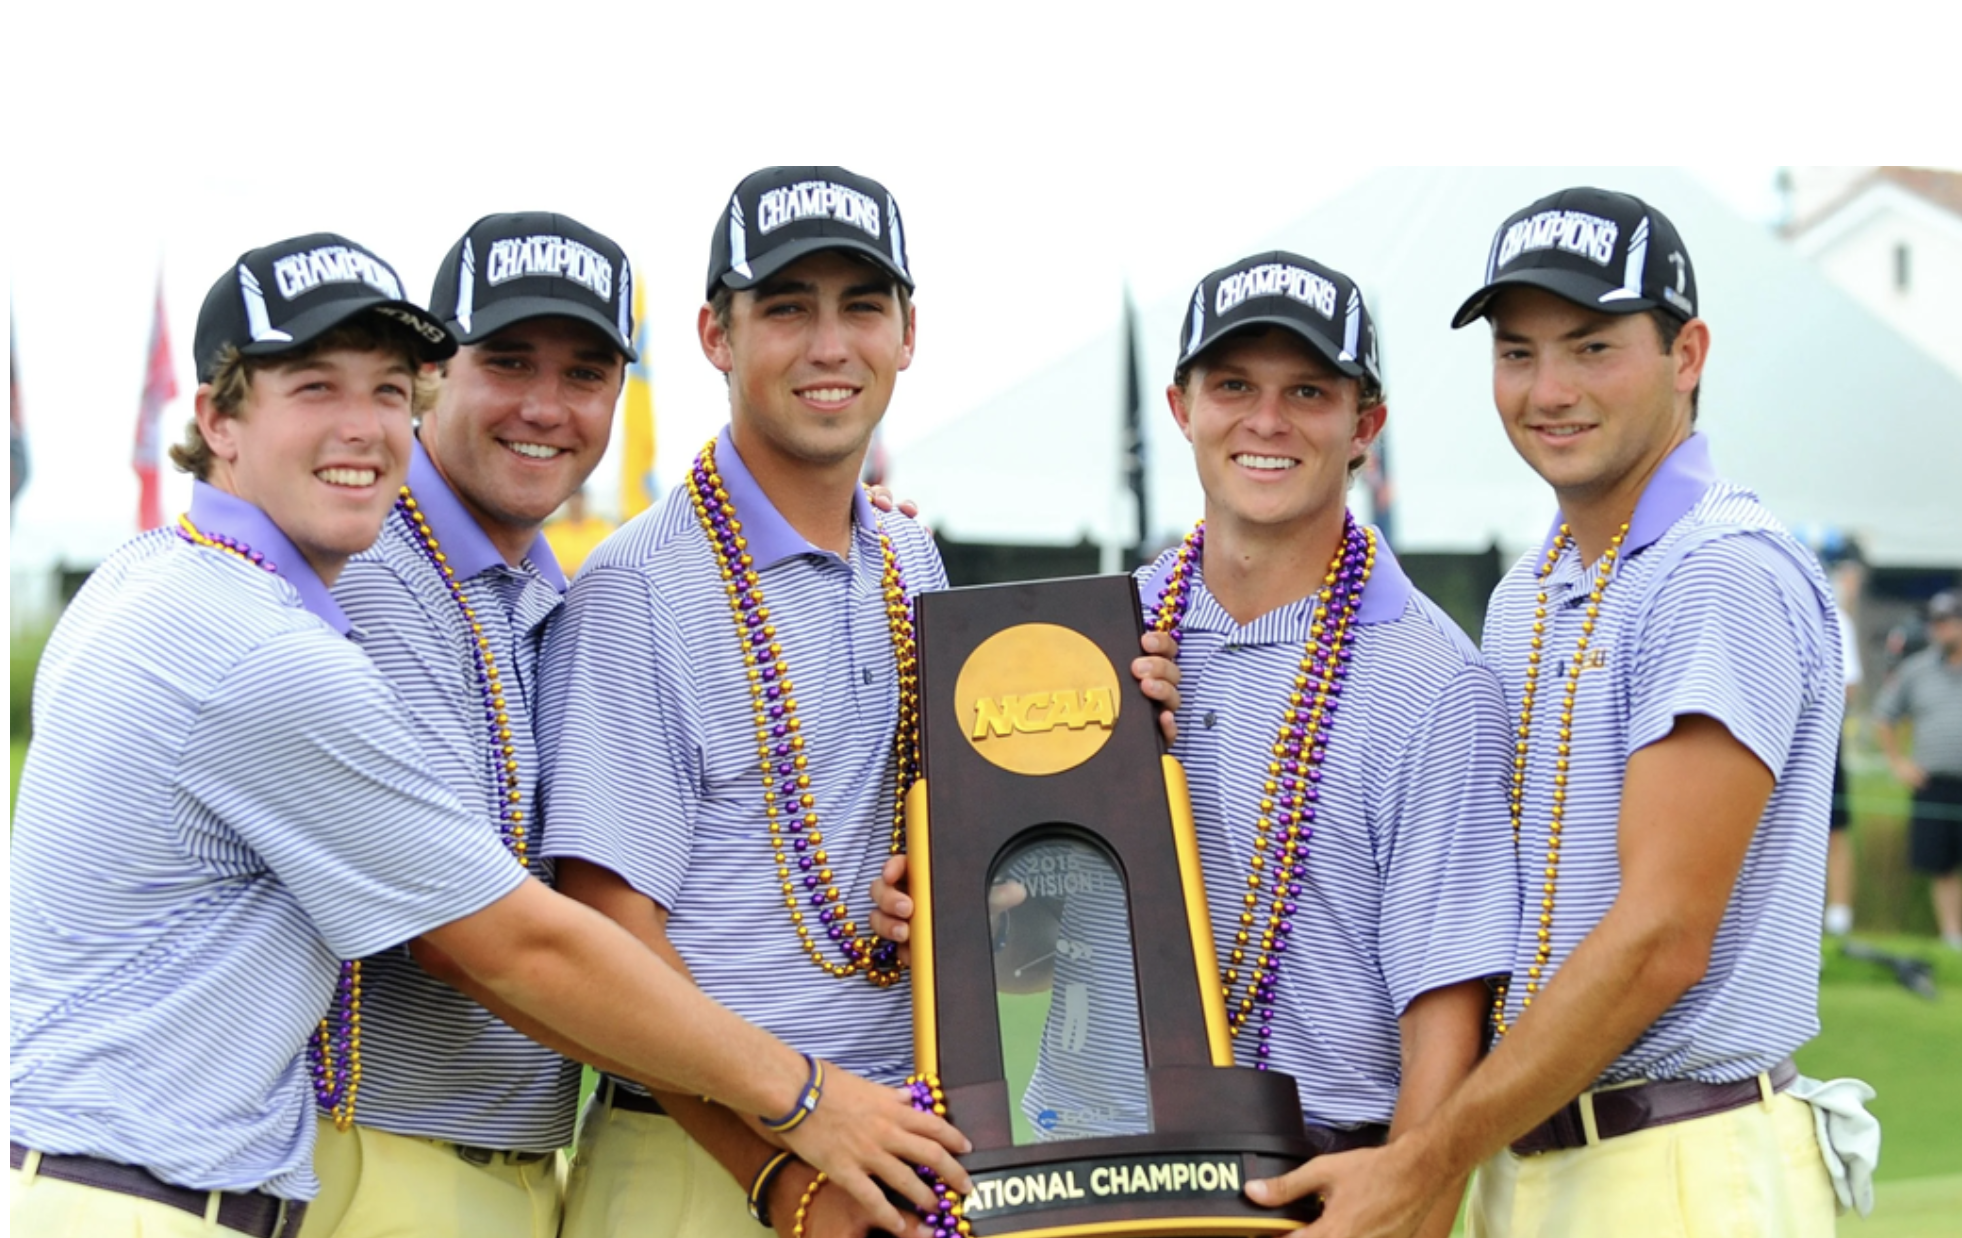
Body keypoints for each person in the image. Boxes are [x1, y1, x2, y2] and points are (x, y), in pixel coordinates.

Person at [9, 233, 969, 1238]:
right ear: (217, 418)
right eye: (314, 388)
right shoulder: (284, 633)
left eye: (385, 389)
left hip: (222, 1185)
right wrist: (802, 1110)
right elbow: (502, 942)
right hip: (238, 1183)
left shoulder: (231, 578)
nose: (546, 405)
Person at [537, 166, 1178, 1238]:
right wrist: (780, 1169)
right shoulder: (637, 587)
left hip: (901, 1147)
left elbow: (963, 870)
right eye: (787, 307)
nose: (831, 345)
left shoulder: (909, 553)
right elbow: (608, 928)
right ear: (714, 333)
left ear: (910, 332)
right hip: (709, 1160)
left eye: (862, 306)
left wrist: (1101, 744)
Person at [875, 253, 1517, 1238]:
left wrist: (1406, 1207)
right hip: (1083, 1166)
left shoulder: (1436, 679)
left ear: (1367, 425)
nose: (1266, 421)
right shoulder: (1103, 636)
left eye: (1308, 390)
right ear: (1181, 405)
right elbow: (1034, 957)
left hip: (1319, 1178)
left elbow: (1447, 1011)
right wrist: (958, 914)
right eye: (1234, 386)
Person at [1255, 188, 1851, 1237]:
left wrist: (1420, 1159)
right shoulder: (1531, 588)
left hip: (1677, 1169)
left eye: (1590, 346)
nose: (1549, 389)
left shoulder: (1717, 573)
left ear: (1688, 352)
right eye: (1518, 352)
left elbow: (1661, 935)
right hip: (1532, 1160)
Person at [299, 213, 631, 1238]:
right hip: (384, 1160)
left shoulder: (531, 582)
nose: (545, 405)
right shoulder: (383, 571)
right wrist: (786, 1095)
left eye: (585, 372)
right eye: (509, 360)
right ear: (435, 372)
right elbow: (471, 942)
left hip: (505, 1166)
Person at [1875, 590, 1962, 950]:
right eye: (1935, 623)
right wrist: (1898, 762)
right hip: (1934, 782)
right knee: (1942, 866)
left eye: (1945, 622)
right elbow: (1885, 716)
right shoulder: (1917, 669)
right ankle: (1953, 939)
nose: (1937, 630)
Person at [1824, 554, 1866, 937]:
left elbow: (1848, 687)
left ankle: (1839, 915)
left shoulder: (1838, 618)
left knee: (1836, 827)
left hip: (1820, 740)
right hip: (1768, 738)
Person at [544, 487, 616, 576]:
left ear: (585, 499)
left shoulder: (602, 529)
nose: (575, 503)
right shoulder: (552, 532)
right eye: (572, 498)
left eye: (579, 498)